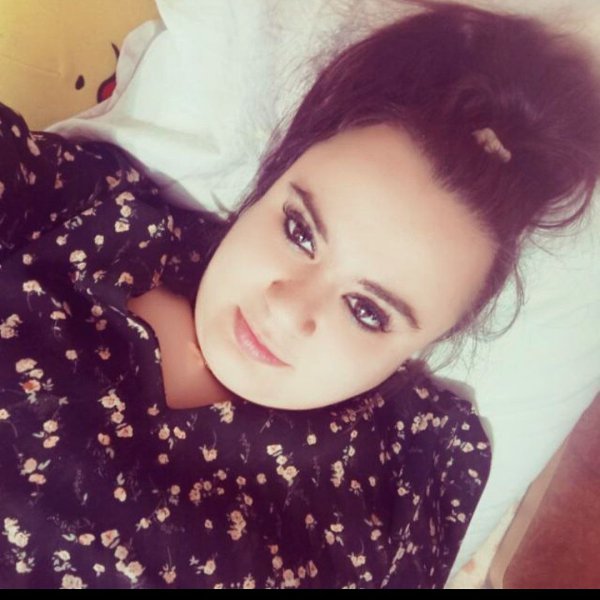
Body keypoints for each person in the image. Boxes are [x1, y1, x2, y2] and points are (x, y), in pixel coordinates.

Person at [1, 0, 599, 589]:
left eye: (367, 311)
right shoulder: (88, 211)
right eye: (299, 231)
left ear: (425, 344)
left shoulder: (399, 487)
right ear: (271, 181)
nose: (287, 309)